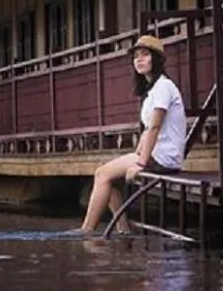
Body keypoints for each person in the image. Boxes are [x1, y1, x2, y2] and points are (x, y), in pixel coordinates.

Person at [77, 34, 186, 234]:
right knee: (108, 180)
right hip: (155, 154)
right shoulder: (152, 90)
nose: (139, 60)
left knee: (101, 174)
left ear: (157, 59)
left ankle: (86, 232)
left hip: (163, 158)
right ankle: (123, 230)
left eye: (145, 55)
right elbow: (146, 131)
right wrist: (137, 155)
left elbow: (154, 127)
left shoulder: (164, 86)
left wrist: (140, 163)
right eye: (136, 56)